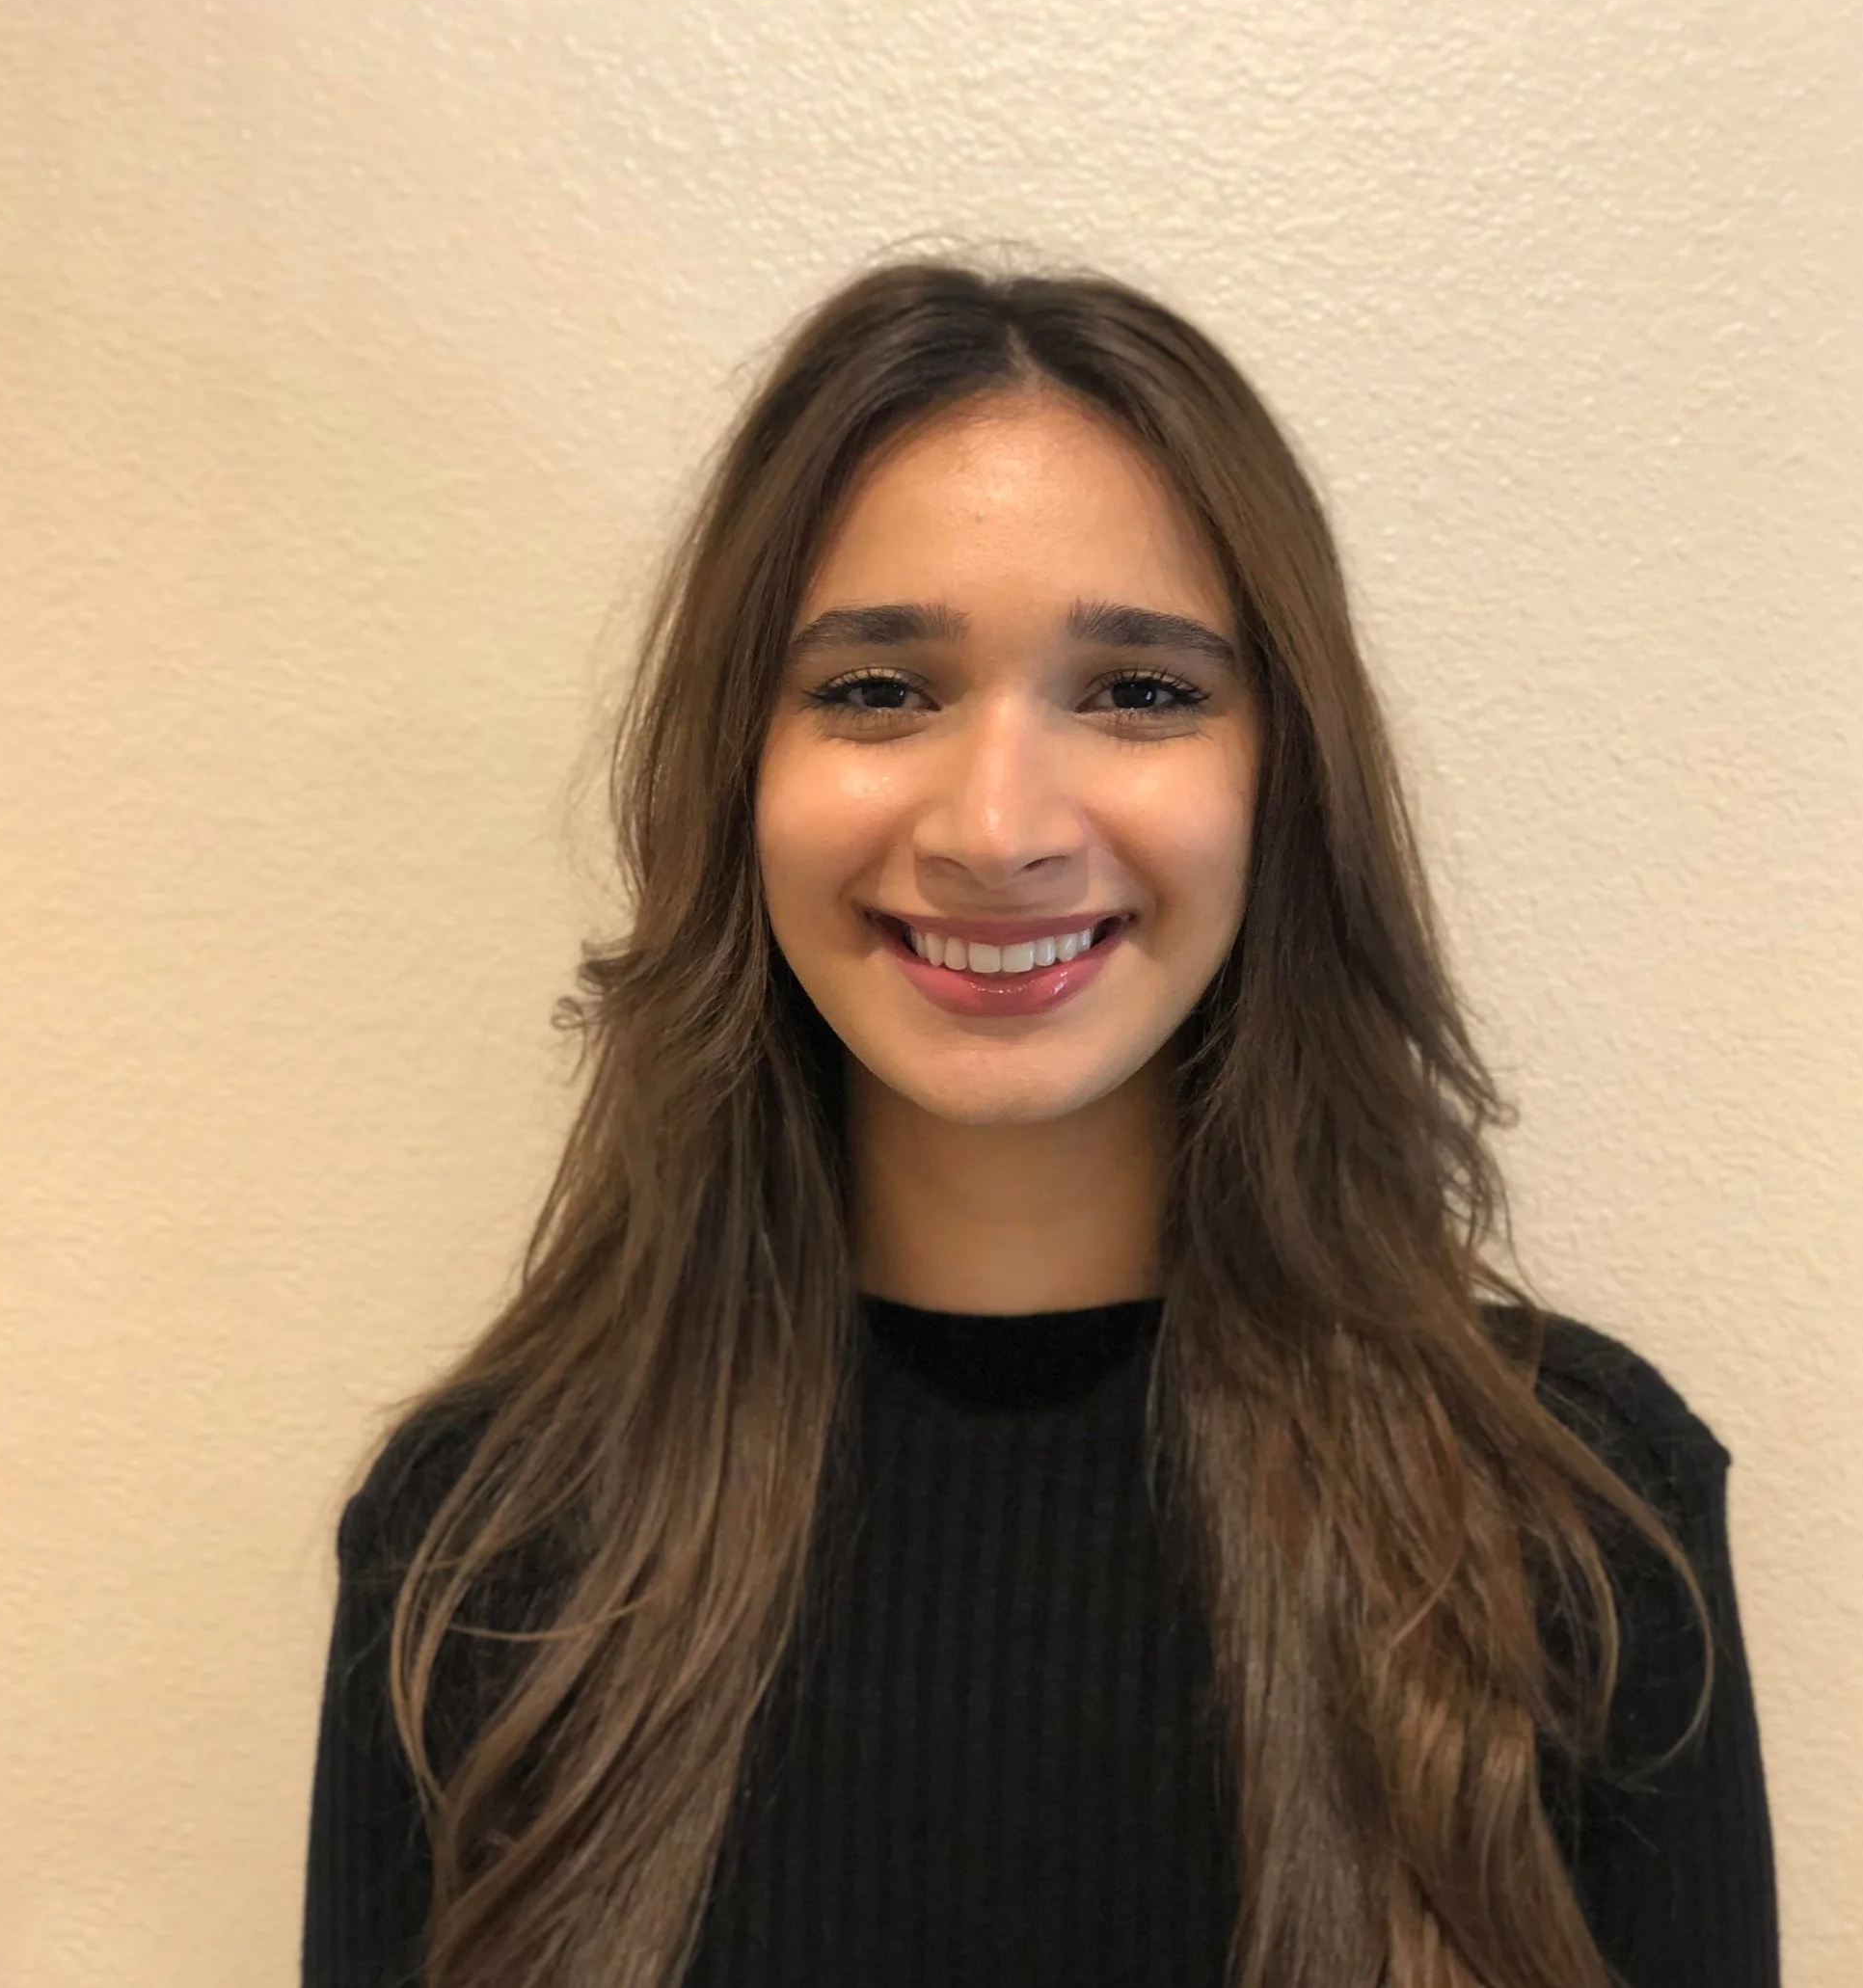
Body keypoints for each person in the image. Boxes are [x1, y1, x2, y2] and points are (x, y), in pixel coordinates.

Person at [301, 258, 1780, 1988]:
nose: (999, 827)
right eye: (877, 690)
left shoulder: (1577, 1518)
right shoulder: (479, 1544)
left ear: (1281, 785)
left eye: (1141, 691)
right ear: (737, 774)